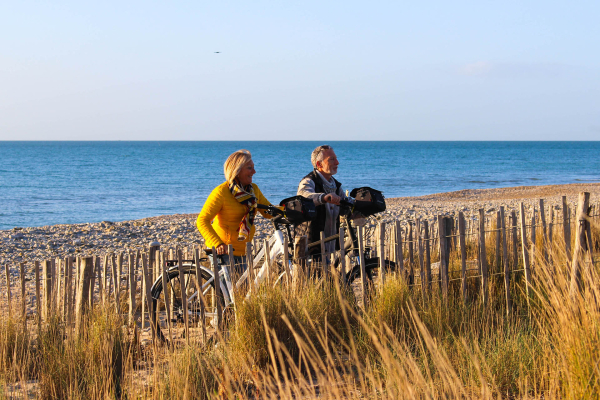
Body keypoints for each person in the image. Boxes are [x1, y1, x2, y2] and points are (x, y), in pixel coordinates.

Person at [197, 149, 274, 271]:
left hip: (242, 250)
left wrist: (289, 208)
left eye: (253, 167)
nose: (254, 172)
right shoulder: (221, 192)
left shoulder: (253, 190)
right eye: (249, 168)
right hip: (224, 251)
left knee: (242, 289)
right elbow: (202, 220)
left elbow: (268, 211)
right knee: (227, 289)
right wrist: (218, 244)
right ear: (237, 170)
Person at [296, 144, 345, 258]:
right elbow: (303, 197)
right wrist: (324, 197)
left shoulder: (336, 185)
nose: (337, 162)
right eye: (332, 159)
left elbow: (344, 202)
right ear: (319, 164)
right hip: (312, 243)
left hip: (330, 243)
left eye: (336, 159)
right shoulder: (309, 181)